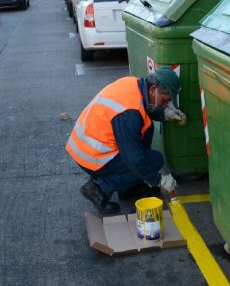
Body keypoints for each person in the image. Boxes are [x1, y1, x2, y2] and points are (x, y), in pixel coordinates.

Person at [66, 67, 187, 214]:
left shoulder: (134, 85)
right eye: (165, 100)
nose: (165, 104)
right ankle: (97, 189)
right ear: (153, 89)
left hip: (90, 146)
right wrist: (158, 179)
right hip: (93, 155)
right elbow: (134, 158)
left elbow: (145, 107)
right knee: (153, 161)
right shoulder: (129, 113)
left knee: (148, 147)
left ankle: (127, 188)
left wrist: (164, 113)